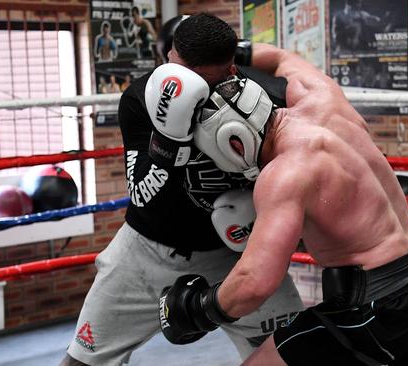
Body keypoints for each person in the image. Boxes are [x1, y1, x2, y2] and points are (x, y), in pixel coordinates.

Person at [158, 43, 408, 365]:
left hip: (376, 308)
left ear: (232, 142)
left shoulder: (285, 174)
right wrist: (226, 50)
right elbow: (282, 58)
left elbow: (255, 283)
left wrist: (195, 309)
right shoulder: (323, 99)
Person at [61, 13, 303, 366]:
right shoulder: (141, 97)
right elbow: (143, 194)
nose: (178, 79)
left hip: (238, 257)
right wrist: (169, 140)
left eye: (197, 75)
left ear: (229, 67)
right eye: (177, 66)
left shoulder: (265, 96)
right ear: (170, 54)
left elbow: (298, 173)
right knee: (81, 362)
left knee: (297, 352)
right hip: (146, 251)